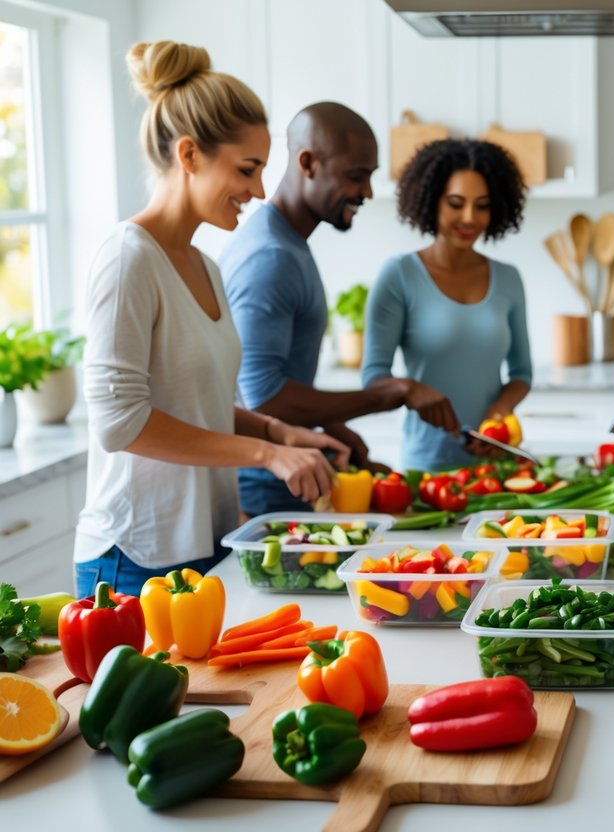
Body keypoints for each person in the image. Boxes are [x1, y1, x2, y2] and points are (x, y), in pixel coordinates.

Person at [75, 41, 349, 598]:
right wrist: (266, 454)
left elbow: (188, 399)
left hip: (209, 541)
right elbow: (120, 422)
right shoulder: (129, 257)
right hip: (134, 556)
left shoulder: (205, 265)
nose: (259, 191)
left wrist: (275, 430)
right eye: (247, 169)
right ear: (189, 155)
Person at [221, 102, 413, 516]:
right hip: (266, 485)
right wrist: (384, 397)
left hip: (288, 474)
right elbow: (262, 398)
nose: (366, 192)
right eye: (355, 176)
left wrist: (336, 429)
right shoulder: (271, 257)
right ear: (307, 163)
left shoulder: (287, 243)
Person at [362, 139, 532, 471]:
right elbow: (373, 376)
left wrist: (499, 414)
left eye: (482, 206)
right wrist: (410, 389)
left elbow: (522, 373)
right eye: (456, 203)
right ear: (431, 200)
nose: (469, 218)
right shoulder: (399, 275)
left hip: (493, 466)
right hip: (426, 467)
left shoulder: (508, 278)